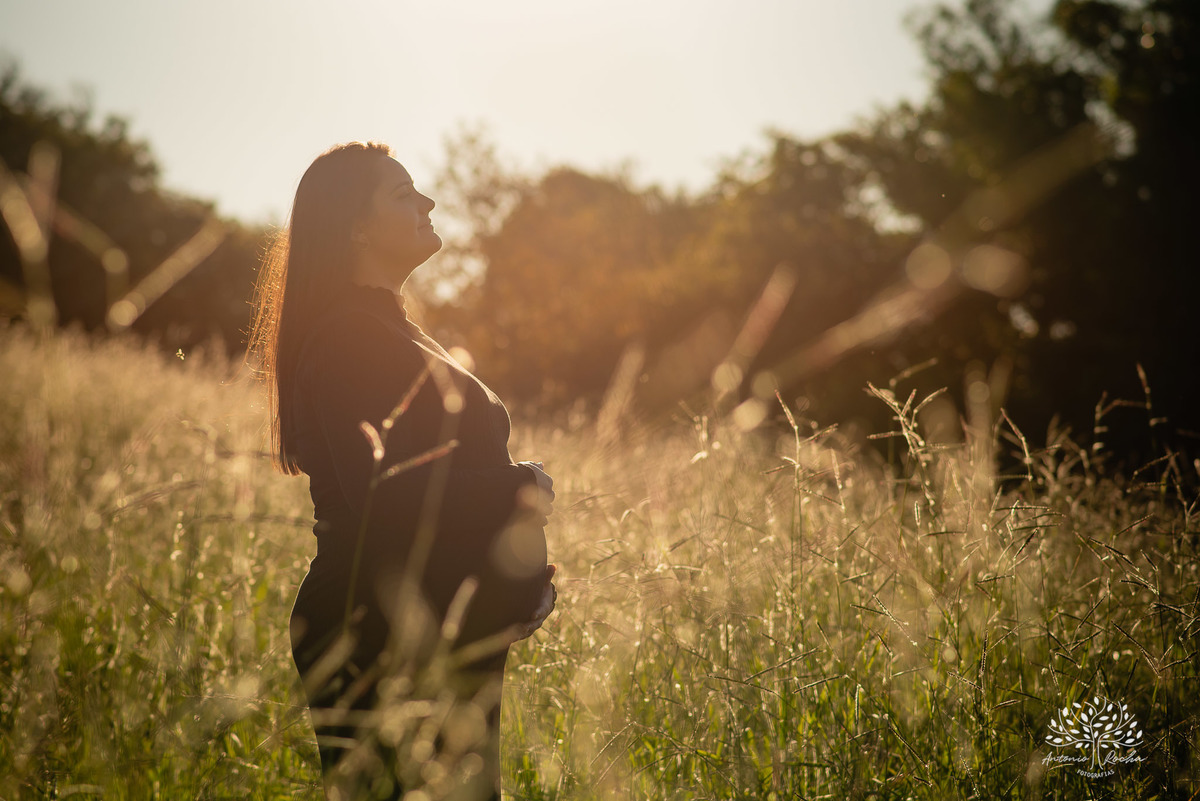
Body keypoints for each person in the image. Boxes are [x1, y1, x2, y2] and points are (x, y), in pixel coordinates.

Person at [249, 141, 557, 800]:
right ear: (355, 226)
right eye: (401, 193)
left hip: (430, 631)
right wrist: (523, 484)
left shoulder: (392, 329)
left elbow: (435, 493)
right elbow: (388, 497)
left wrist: (513, 586)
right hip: (376, 634)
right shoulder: (350, 335)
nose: (428, 201)